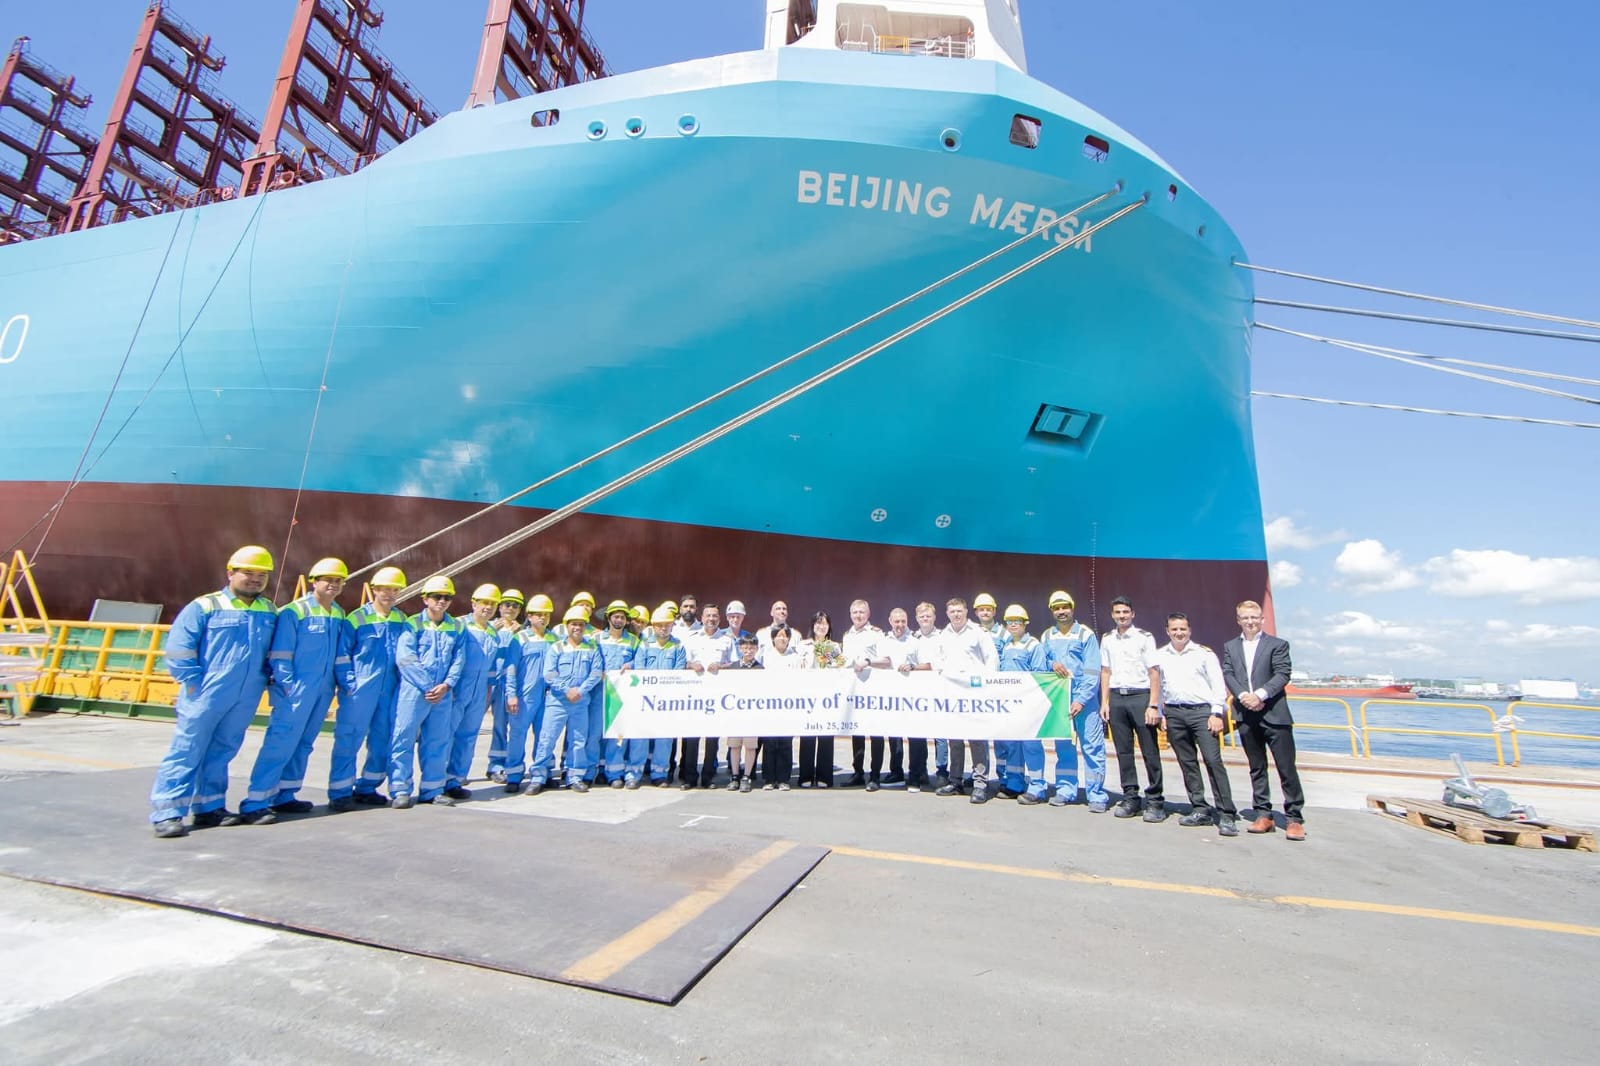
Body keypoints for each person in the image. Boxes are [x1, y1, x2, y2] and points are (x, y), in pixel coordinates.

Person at [148, 545, 279, 838]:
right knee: (187, 750)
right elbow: (180, 648)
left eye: (262, 574)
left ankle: (210, 807)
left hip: (246, 694)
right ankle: (167, 812)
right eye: (248, 573)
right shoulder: (204, 606)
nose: (255, 579)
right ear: (230, 573)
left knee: (223, 750)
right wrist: (193, 682)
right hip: (206, 692)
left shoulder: (268, 610)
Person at [240, 557, 355, 824]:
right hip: (296, 689)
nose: (333, 585)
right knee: (280, 742)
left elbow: (339, 654)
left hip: (323, 689)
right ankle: (256, 801)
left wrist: (342, 682)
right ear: (314, 581)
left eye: (338, 581)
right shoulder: (295, 611)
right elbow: (281, 652)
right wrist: (287, 684)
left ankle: (285, 794)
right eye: (328, 580)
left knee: (304, 743)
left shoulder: (337, 613)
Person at [1223, 600, 1306, 841]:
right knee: (1256, 767)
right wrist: (1243, 696)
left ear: (1262, 619)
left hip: (1274, 714)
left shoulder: (1277, 645)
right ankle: (1263, 813)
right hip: (1246, 714)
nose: (1250, 621)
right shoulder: (1230, 646)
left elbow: (1282, 673)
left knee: (1286, 767)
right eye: (1245, 618)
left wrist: (1259, 695)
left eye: (1254, 617)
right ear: (1238, 620)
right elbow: (1229, 673)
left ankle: (1294, 818)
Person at [328, 566, 409, 811]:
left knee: (382, 739)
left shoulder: (401, 619)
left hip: (389, 689)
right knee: (349, 738)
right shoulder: (356, 618)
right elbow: (342, 654)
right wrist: (349, 683)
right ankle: (340, 792)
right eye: (385, 589)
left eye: (395, 590)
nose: (390, 594)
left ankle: (368, 787)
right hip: (360, 690)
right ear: (374, 589)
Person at [1155, 613, 1238, 836]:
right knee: (1187, 763)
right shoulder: (1160, 656)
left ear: (1189, 630)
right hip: (1174, 712)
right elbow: (1159, 687)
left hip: (1202, 713)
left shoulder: (1204, 654)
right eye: (1174, 629)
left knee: (1213, 760)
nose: (1179, 633)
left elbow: (1218, 685)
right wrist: (1161, 713)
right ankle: (1200, 808)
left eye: (1182, 629)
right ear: (1167, 631)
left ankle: (1227, 813)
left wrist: (1217, 713)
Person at [389, 576, 467, 808]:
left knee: (437, 741)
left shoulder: (456, 627)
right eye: (436, 597)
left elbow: (459, 659)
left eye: (447, 597)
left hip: (442, 693)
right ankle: (400, 789)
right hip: (414, 691)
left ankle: (432, 789)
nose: (442, 601)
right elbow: (405, 658)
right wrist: (428, 686)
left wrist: (447, 685)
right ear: (425, 599)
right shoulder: (412, 624)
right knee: (403, 738)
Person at [1035, 589, 1106, 811]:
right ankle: (1066, 789)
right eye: (1056, 608)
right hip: (1060, 699)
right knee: (1064, 746)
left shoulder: (1085, 635)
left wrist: (1082, 699)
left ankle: (1096, 794)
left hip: (1085, 700)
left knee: (1092, 746)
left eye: (1064, 607)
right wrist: (1052, 664)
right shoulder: (1047, 636)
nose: (1061, 611)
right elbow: (1042, 664)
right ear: (1051, 611)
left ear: (1072, 608)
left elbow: (1093, 670)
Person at [1100, 596, 1166, 822]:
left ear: (1133, 614)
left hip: (1140, 696)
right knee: (1123, 752)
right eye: (1118, 612)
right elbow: (1106, 671)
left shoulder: (1144, 638)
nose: (1122, 616)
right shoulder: (1107, 639)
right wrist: (1105, 702)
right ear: (1112, 615)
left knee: (1150, 751)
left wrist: (1154, 705)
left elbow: (1154, 672)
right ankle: (1131, 797)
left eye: (1125, 612)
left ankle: (1155, 801)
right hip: (1117, 697)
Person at [528, 605, 604, 794]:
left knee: (578, 741)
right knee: (547, 739)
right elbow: (549, 674)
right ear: (567, 626)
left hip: (580, 702)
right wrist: (567, 690)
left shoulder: (592, 647)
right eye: (573, 624)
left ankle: (574, 777)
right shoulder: (557, 647)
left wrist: (581, 691)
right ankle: (538, 777)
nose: (577, 628)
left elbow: (596, 673)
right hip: (557, 702)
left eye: (581, 624)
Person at [443, 584, 506, 800]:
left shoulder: (493, 633)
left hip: (479, 691)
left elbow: (491, 666)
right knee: (446, 734)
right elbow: (449, 656)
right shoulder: (459, 625)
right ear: (473, 603)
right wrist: (449, 685)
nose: (488, 607)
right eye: (484, 603)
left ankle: (455, 779)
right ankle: (437, 780)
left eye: (492, 604)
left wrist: (488, 690)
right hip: (458, 688)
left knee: (468, 736)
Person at [934, 597, 998, 803]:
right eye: (952, 611)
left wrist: (986, 685)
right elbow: (938, 661)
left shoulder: (978, 633)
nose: (956, 614)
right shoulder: (944, 635)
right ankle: (955, 781)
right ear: (947, 614)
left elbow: (991, 659)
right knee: (954, 739)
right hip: (952, 694)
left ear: (966, 611)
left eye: (959, 611)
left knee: (977, 739)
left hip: (974, 694)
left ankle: (980, 784)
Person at [629, 605, 686, 787]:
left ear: (672, 626)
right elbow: (639, 669)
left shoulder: (678, 646)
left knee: (664, 738)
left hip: (667, 701)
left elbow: (678, 672)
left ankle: (659, 774)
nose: (663, 628)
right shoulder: (644, 645)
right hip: (645, 700)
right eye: (660, 625)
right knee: (640, 737)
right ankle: (634, 774)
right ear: (653, 626)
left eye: (667, 625)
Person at [505, 594, 556, 792]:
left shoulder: (554, 639)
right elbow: (511, 668)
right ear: (530, 616)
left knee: (545, 735)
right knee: (517, 734)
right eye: (538, 614)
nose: (543, 618)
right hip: (524, 696)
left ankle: (543, 773)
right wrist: (511, 694)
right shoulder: (519, 638)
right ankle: (514, 775)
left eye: (546, 614)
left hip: (548, 695)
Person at [995, 604, 1045, 801]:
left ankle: (1037, 787)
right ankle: (1015, 784)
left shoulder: (1033, 645)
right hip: (1009, 704)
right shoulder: (1006, 645)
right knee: (1012, 745)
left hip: (1028, 704)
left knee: (1031, 745)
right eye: (1009, 622)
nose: (1013, 625)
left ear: (1025, 623)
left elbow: (1040, 675)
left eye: (1017, 621)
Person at [841, 599, 892, 790]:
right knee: (857, 732)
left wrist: (868, 661)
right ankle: (858, 773)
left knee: (876, 733)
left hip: (873, 690)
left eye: (862, 612)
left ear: (868, 614)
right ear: (850, 614)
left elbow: (886, 661)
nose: (858, 615)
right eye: (855, 612)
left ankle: (875, 776)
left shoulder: (876, 634)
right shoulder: (847, 635)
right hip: (854, 690)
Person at [681, 603, 733, 788]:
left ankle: (708, 777)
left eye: (715, 616)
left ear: (719, 619)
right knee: (691, 738)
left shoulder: (726, 640)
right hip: (694, 696)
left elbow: (734, 664)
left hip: (716, 696)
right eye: (708, 616)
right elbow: (682, 662)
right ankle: (689, 778)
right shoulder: (692, 639)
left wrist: (721, 666)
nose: (711, 619)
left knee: (712, 740)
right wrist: (691, 665)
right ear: (702, 618)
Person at [596, 600, 640, 787]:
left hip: (621, 695)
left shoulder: (634, 641)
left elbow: (641, 661)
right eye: (616, 616)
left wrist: (631, 664)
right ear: (609, 618)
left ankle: (614, 774)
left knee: (617, 734)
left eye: (622, 617)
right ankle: (595, 771)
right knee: (596, 734)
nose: (619, 620)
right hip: (598, 692)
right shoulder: (597, 639)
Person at [797, 610, 843, 788]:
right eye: (818, 623)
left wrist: (826, 653)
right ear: (813, 625)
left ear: (829, 626)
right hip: (808, 696)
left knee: (826, 736)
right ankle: (805, 776)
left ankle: (824, 776)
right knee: (807, 736)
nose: (821, 626)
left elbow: (838, 668)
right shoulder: (803, 645)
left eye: (824, 623)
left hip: (827, 698)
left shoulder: (834, 646)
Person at [903, 601, 947, 789]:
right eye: (922, 616)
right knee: (916, 732)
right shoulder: (912, 638)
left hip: (939, 690)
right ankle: (918, 772)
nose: (925, 619)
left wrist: (916, 667)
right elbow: (907, 661)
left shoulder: (943, 637)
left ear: (934, 617)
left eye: (928, 616)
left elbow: (939, 664)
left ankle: (942, 773)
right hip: (917, 691)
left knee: (940, 734)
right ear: (917, 618)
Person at [486, 588, 526, 782]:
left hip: (507, 684)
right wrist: (492, 632)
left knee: (501, 725)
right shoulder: (488, 627)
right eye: (507, 604)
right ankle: (455, 772)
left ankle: (497, 765)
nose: (511, 608)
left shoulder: (522, 632)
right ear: (499, 607)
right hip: (486, 683)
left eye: (515, 606)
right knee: (467, 727)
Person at [882, 607, 921, 789]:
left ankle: (915, 775)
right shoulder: (884, 641)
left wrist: (912, 666)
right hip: (891, 695)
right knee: (894, 736)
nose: (900, 625)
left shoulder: (915, 641)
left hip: (913, 696)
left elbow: (925, 664)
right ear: (890, 621)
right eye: (896, 621)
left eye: (903, 621)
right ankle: (896, 772)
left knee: (914, 736)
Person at [760, 624, 800, 789]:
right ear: (773, 638)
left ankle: (783, 779)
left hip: (788, 705)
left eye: (785, 635)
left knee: (785, 743)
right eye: (779, 635)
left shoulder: (795, 657)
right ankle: (769, 779)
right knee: (770, 743)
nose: (782, 638)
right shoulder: (765, 655)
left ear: (789, 639)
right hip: (769, 705)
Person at [722, 634, 763, 792]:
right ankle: (734, 776)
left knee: (750, 746)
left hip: (752, 715)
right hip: (735, 714)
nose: (748, 651)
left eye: (751, 648)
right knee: (735, 745)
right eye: (745, 648)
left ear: (756, 649)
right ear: (740, 648)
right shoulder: (733, 667)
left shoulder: (760, 669)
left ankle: (746, 776)